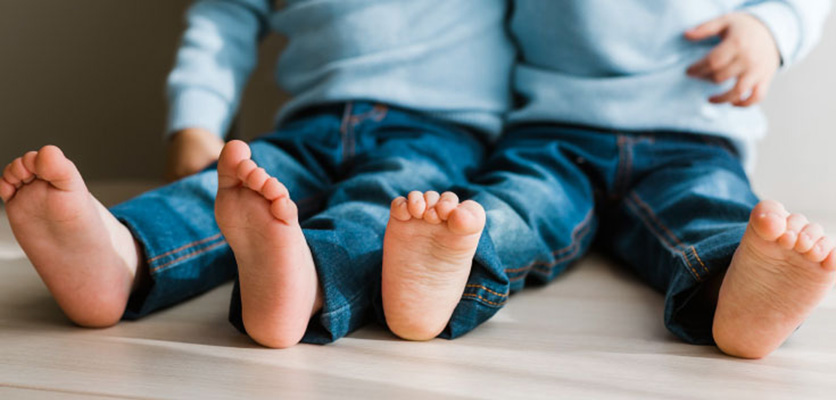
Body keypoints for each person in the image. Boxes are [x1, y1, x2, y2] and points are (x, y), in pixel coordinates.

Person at [0, 0, 513, 348]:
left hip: (442, 126)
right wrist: (196, 123)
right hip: (313, 119)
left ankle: (306, 282)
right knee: (232, 189)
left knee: (391, 209)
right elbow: (226, 14)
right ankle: (122, 254)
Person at [381, 0, 835, 359]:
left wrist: (772, 26)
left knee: (707, 208)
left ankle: (739, 292)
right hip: (553, 128)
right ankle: (448, 268)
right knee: (513, 204)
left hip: (690, 133)